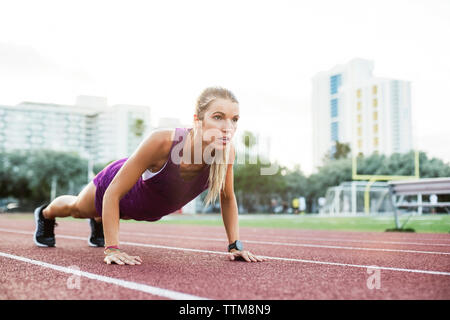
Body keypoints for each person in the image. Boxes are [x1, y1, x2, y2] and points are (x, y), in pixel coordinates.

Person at [33, 87, 265, 265]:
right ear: (198, 119)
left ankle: (100, 221)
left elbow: (227, 197)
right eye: (218, 117)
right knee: (77, 208)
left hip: (142, 208)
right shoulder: (163, 141)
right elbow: (113, 192)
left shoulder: (226, 153)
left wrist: (235, 245)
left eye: (234, 119)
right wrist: (112, 248)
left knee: (97, 214)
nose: (228, 127)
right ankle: (45, 214)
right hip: (114, 186)